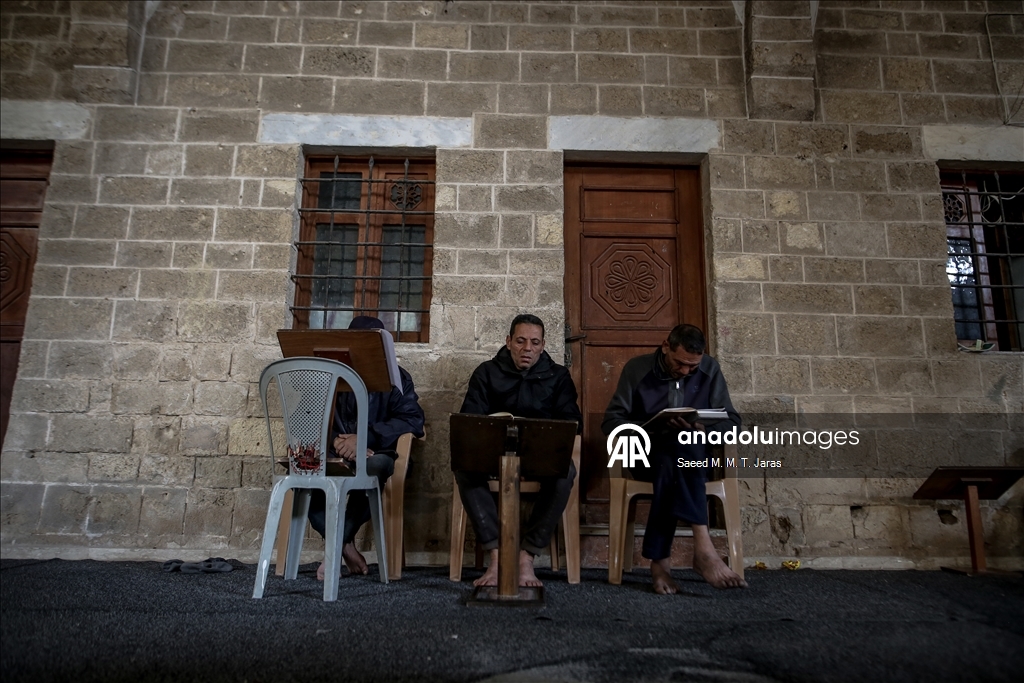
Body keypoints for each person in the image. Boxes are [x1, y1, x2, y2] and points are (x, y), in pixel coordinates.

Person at [602, 323, 747, 594]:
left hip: (687, 462)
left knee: (683, 449)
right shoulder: (637, 369)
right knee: (676, 453)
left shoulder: (710, 370)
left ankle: (660, 566)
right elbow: (612, 422)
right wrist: (652, 427)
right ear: (665, 346)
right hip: (645, 457)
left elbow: (733, 422)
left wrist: (707, 429)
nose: (685, 371)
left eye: (692, 367)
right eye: (680, 363)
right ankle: (703, 547)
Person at [457, 314, 582, 588]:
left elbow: (573, 423)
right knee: (463, 466)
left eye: (534, 343)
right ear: (508, 341)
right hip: (493, 455)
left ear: (543, 345)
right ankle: (497, 555)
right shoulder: (486, 372)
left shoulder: (558, 376)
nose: (527, 349)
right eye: (521, 341)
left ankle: (527, 556)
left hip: (539, 455)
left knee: (566, 472)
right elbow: (469, 420)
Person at [307, 316, 425, 581]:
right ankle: (344, 545)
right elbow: (308, 415)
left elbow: (413, 419)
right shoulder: (327, 375)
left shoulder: (398, 378)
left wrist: (364, 439)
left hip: (377, 454)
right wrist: (337, 440)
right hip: (332, 452)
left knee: (375, 468)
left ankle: (333, 548)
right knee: (306, 473)